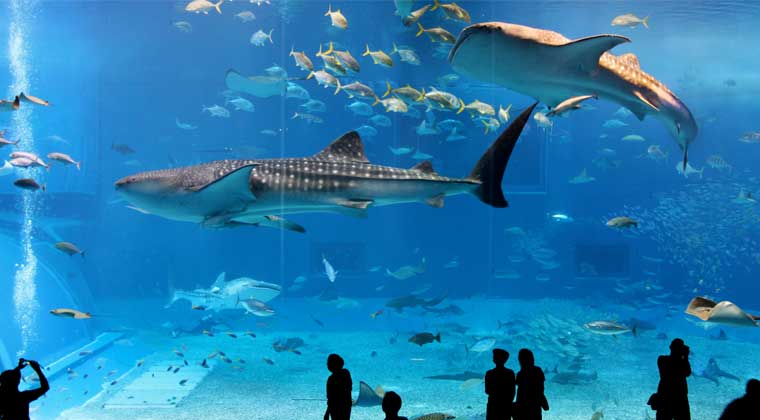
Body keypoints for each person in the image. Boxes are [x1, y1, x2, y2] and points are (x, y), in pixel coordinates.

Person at [655, 338, 692, 420]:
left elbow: (687, 373)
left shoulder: (661, 359)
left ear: (670, 347)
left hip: (665, 396)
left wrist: (683, 357)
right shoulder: (664, 360)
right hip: (679, 398)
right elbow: (687, 373)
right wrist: (685, 357)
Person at [514, 348, 547, 420]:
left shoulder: (520, 374)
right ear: (532, 359)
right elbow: (540, 389)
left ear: (520, 361)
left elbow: (517, 384)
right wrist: (544, 403)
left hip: (521, 406)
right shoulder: (538, 370)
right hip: (535, 406)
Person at [485, 348, 515, 420]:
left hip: (492, 404)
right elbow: (513, 392)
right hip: (506, 405)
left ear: (494, 359)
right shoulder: (510, 373)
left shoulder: (489, 373)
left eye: (494, 356)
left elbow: (487, 391)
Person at [324, 354, 352, 420]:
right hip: (346, 406)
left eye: (328, 363)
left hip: (336, 409)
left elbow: (331, 400)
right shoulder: (346, 373)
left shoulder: (331, 379)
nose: (327, 365)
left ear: (331, 366)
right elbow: (349, 388)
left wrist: (327, 413)